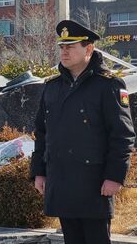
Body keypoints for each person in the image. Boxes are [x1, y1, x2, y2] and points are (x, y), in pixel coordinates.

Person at [31, 20, 136, 244]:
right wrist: (39, 171)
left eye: (71, 46)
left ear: (88, 49)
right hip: (61, 180)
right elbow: (42, 133)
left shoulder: (108, 86)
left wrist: (114, 176)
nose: (64, 51)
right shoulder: (52, 87)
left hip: (94, 182)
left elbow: (122, 135)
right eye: (61, 47)